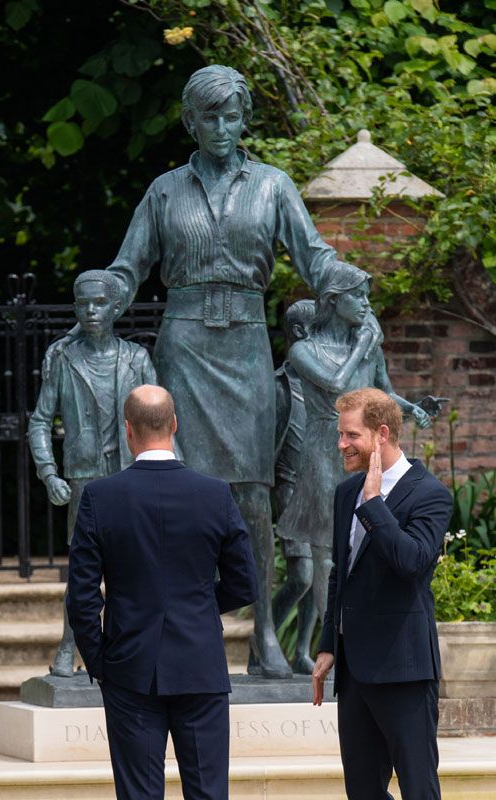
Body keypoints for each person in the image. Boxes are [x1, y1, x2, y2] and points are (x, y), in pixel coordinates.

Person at [98, 64, 381, 678]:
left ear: (244, 119)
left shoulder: (274, 186)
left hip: (248, 348)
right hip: (185, 344)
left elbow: (314, 257)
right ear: (190, 121)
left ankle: (263, 639)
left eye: (232, 115)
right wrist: (100, 305)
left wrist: (355, 288)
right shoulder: (165, 191)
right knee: (177, 489)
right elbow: (128, 268)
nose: (222, 127)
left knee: (253, 494)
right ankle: (179, 626)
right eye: (209, 116)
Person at [67, 385, 258, 800]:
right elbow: (245, 582)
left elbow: (81, 596)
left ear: (128, 430)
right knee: (208, 793)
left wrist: (101, 661)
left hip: (129, 666)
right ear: (174, 425)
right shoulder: (215, 493)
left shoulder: (99, 498)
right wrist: (201, 609)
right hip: (200, 663)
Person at [312, 388, 453, 800]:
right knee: (362, 791)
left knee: (419, 788)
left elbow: (411, 563)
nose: (342, 444)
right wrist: (327, 645)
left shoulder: (431, 494)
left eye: (351, 435)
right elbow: (341, 572)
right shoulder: (345, 493)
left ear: (382, 434)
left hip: (404, 668)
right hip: (354, 672)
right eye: (341, 434)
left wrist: (374, 503)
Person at [276, 262, 431, 627]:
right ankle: (336, 635)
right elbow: (335, 383)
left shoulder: (369, 348)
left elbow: (385, 393)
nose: (365, 304)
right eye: (357, 295)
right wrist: (363, 344)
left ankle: (365, 628)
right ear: (333, 300)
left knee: (372, 538)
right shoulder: (305, 349)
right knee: (328, 550)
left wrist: (412, 410)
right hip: (325, 449)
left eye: (366, 295)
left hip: (369, 453)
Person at [28, 269, 158, 677]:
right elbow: (39, 421)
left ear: (116, 307)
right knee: (83, 573)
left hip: (131, 476)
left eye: (99, 302)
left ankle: (125, 650)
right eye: (82, 303)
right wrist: (49, 473)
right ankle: (70, 646)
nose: (90, 310)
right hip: (84, 478)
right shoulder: (62, 358)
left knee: (134, 568)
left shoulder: (137, 358)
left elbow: (161, 420)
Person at [272, 299, 317, 674]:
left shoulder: (325, 385)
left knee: (318, 574)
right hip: (289, 492)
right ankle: (265, 639)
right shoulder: (277, 387)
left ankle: (302, 651)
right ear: (301, 333)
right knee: (302, 575)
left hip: (322, 489)